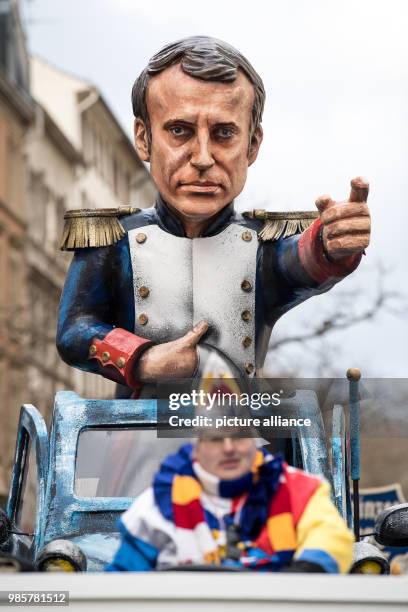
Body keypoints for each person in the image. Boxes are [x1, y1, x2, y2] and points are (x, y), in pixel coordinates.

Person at [57, 36, 371, 396]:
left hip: (245, 441)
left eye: (223, 134)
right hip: (134, 443)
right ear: (144, 140)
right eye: (180, 131)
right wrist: (145, 359)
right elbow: (74, 331)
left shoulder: (261, 245)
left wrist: (331, 243)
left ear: (252, 145)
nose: (203, 157)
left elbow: (302, 262)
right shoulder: (113, 241)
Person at [105, 434, 354, 572]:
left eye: (239, 436)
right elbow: (124, 578)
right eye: (215, 438)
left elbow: (330, 537)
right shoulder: (155, 504)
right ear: (197, 448)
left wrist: (308, 570)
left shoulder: (300, 488)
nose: (229, 448)